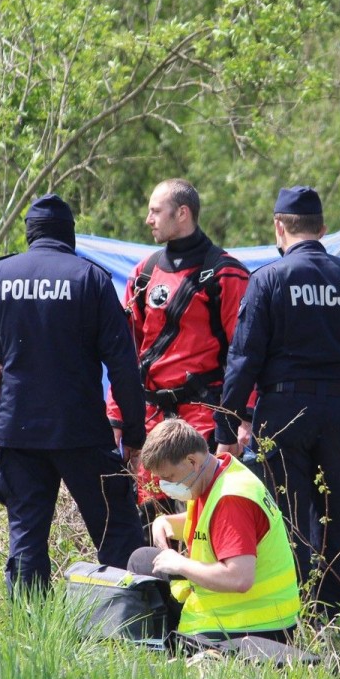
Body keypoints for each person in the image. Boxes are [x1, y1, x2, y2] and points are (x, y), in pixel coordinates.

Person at [0, 194, 146, 596]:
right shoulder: (90, 279)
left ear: (30, 234)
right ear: (69, 234)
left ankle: (30, 624)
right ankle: (129, 620)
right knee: (117, 533)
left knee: (26, 540)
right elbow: (124, 366)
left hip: (18, 430)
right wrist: (133, 433)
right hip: (81, 430)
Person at [216, 186, 340, 615]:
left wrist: (226, 429)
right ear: (323, 229)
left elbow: (243, 361)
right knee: (332, 518)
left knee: (284, 517)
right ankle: (335, 619)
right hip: (338, 415)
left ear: (279, 226)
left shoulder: (269, 279)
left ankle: (287, 614)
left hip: (282, 413)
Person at [107, 178, 251, 521]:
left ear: (182, 213)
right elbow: (124, 354)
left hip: (203, 420)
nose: (148, 219)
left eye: (156, 211)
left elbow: (245, 354)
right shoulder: (144, 273)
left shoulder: (226, 274)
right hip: (151, 420)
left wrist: (240, 420)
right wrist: (116, 416)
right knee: (151, 520)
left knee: (201, 520)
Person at [128, 418, 300, 641]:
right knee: (143, 560)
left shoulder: (231, 499)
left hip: (250, 627)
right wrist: (167, 522)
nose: (166, 485)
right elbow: (214, 524)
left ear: (192, 461)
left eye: (169, 477)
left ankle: (163, 645)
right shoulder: (217, 472)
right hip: (234, 612)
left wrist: (181, 564)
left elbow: (239, 578)